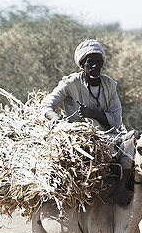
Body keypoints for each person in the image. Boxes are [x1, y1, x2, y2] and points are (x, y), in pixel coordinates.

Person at [41, 39, 134, 204]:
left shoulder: (109, 85)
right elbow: (47, 104)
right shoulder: (71, 83)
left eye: (98, 62)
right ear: (82, 64)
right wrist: (56, 119)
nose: (95, 66)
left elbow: (116, 119)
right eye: (90, 62)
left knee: (131, 146)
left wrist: (93, 113)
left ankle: (121, 189)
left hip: (107, 136)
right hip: (79, 136)